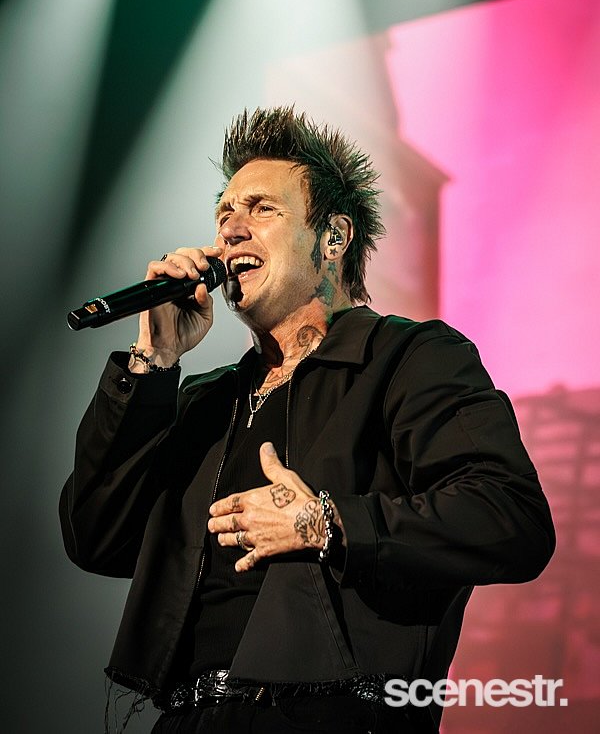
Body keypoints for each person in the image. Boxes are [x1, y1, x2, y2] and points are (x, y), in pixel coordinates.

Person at [60, 106, 555, 734]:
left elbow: (510, 518)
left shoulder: (408, 358)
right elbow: (97, 538)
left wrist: (327, 523)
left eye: (262, 209)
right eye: (224, 214)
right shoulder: (205, 402)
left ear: (333, 237)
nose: (230, 230)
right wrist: (152, 364)